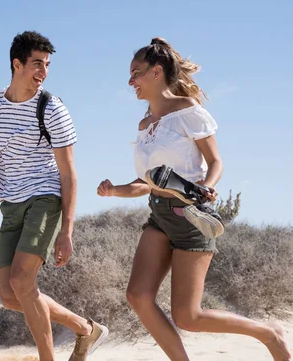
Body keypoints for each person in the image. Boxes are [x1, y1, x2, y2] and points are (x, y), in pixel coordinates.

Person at [97, 37, 292, 361]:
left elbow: (215, 161)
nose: (131, 81)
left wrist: (207, 185)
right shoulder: (145, 125)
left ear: (157, 72)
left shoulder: (189, 112)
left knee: (188, 316)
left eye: (136, 73)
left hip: (191, 216)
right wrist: (115, 190)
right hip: (158, 214)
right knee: (138, 295)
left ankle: (268, 333)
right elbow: (146, 182)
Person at [0, 31, 108, 361]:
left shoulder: (52, 108)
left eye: (47, 65)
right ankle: (86, 329)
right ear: (16, 64)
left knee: (21, 280)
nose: (43, 72)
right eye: (37, 64)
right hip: (10, 204)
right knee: (8, 295)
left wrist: (67, 231)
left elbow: (68, 171)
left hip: (45, 198)